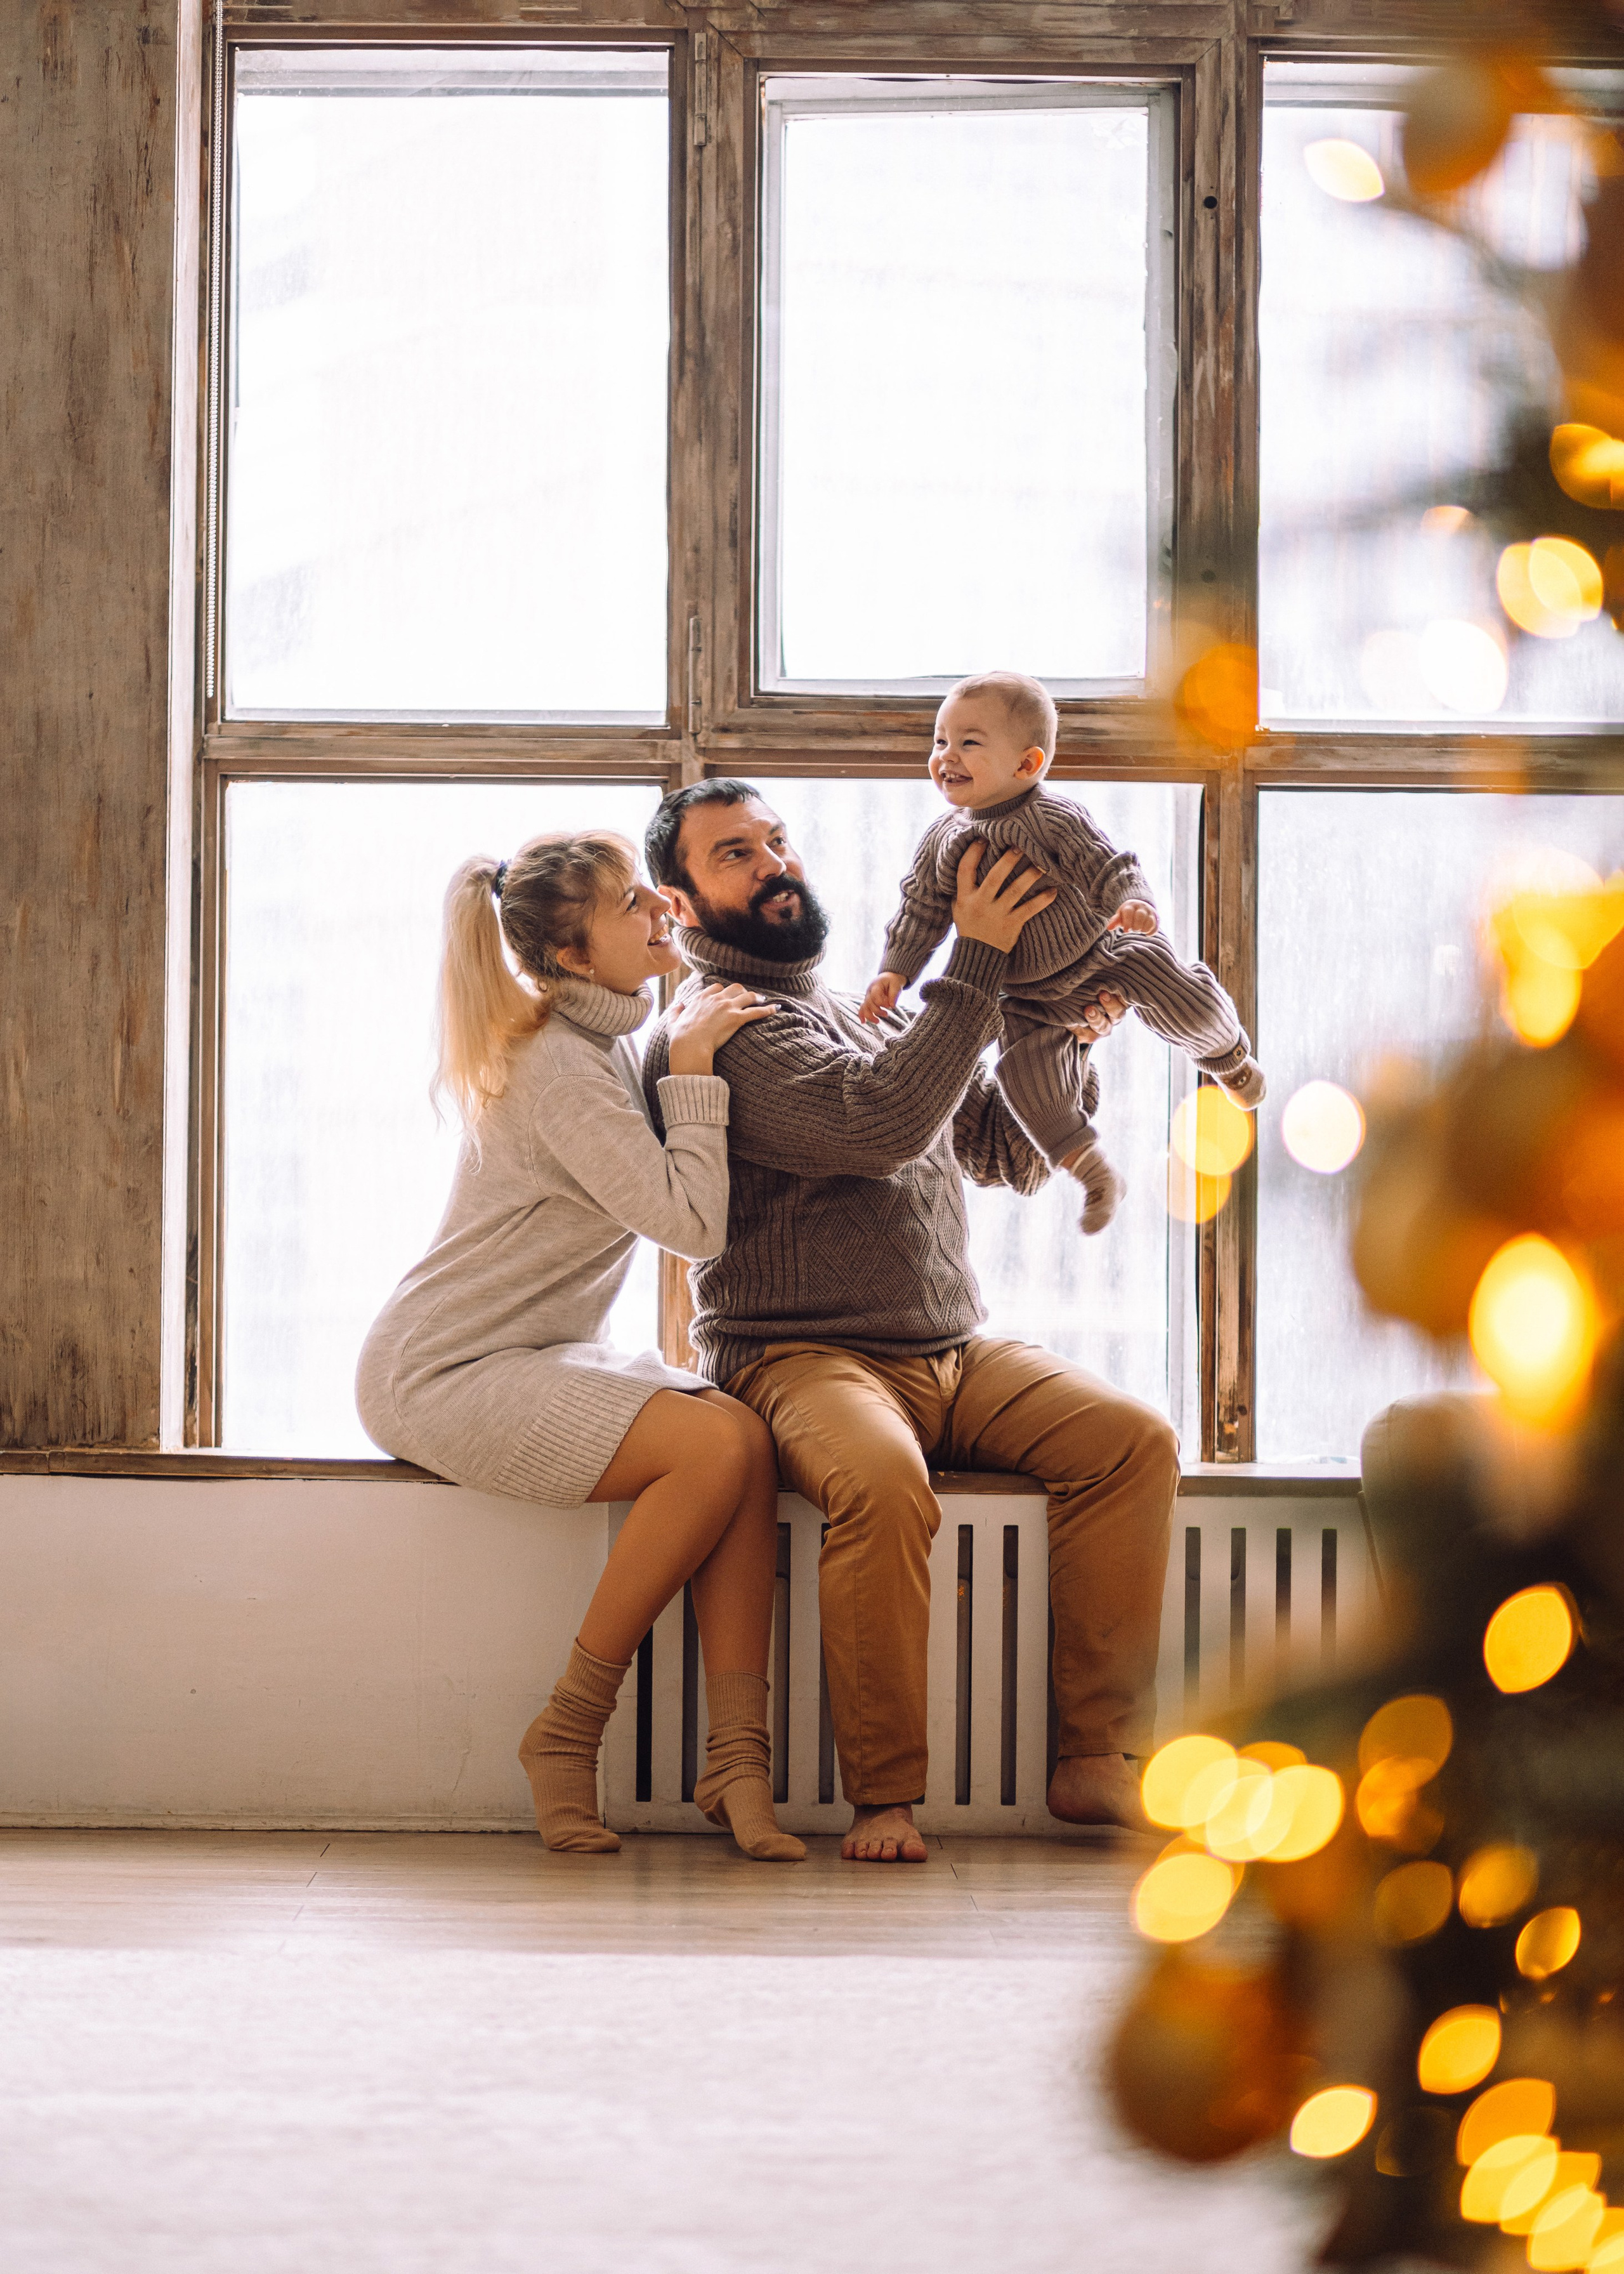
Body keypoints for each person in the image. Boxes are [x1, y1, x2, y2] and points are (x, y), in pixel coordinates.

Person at [641, 780, 1182, 1862]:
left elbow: (1005, 1152)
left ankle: (1092, 1758)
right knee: (886, 1484)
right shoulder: (722, 1029)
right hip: (800, 1353)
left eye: (777, 840)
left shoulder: (865, 1008)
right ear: (682, 904)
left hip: (949, 1344)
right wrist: (976, 958)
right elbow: (879, 1125)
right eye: (735, 853)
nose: (774, 862)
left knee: (1132, 1442)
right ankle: (883, 1795)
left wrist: (1064, 1034)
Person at [356, 828, 805, 1864]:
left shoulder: (598, 1042)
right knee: (715, 1446)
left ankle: (737, 1763)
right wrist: (694, 1067)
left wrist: (679, 1044)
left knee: (743, 1440)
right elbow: (691, 1225)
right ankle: (566, 1730)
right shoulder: (562, 1065)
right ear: (572, 955)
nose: (661, 907)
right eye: (630, 903)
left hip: (526, 1350)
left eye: (651, 891)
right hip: (442, 1368)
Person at [861, 670, 1266, 1234]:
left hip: (1103, 955)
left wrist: (1134, 902)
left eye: (968, 743)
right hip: (1026, 999)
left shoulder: (1053, 817)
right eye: (940, 740)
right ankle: (1093, 1170)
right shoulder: (940, 839)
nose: (945, 756)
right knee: (1024, 1079)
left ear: (1027, 764)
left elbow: (1109, 866)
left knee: (1175, 989)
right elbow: (920, 908)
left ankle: (1229, 1058)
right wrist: (895, 970)